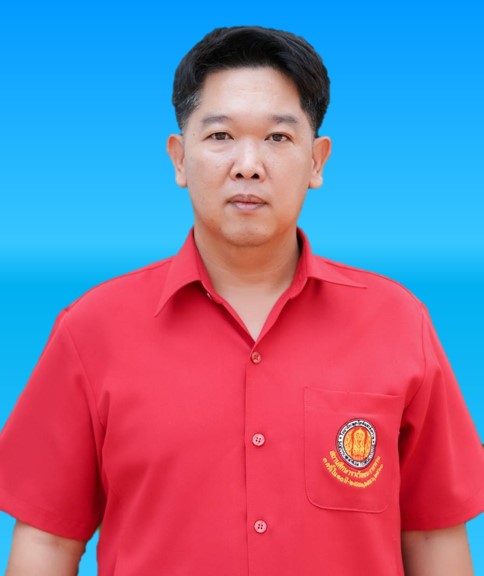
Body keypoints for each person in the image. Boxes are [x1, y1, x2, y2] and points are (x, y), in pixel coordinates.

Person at [0, 25, 483, 576]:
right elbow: (47, 544)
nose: (248, 164)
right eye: (221, 135)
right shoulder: (92, 329)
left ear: (317, 161)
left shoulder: (396, 323)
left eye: (277, 138)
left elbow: (433, 536)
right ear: (179, 158)